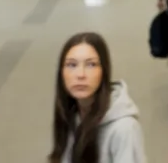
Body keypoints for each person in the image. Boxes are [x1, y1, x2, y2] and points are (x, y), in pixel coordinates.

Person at [48, 32, 147, 163]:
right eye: (72, 65)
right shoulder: (72, 114)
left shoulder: (124, 128)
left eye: (91, 65)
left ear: (104, 71)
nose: (80, 74)